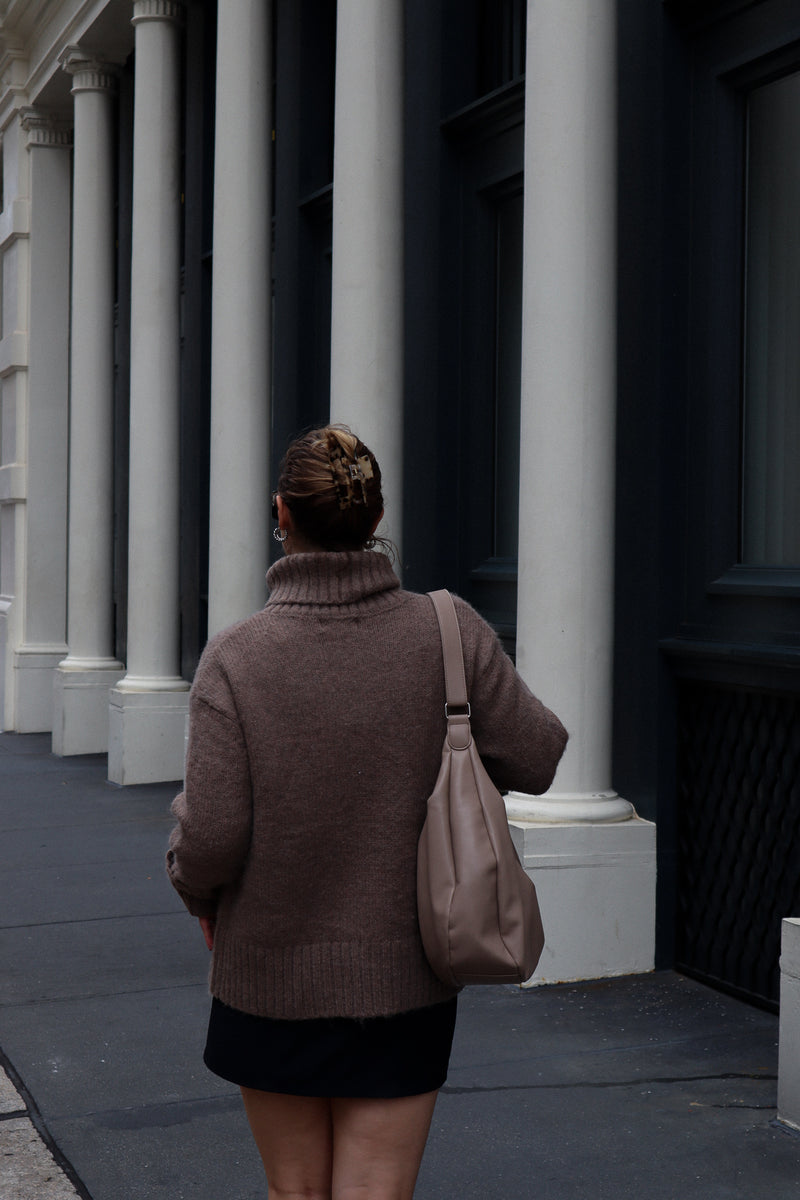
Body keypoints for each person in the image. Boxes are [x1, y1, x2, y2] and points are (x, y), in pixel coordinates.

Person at [166, 424, 568, 1200]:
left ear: (281, 514)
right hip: (405, 977)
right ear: (374, 516)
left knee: (296, 1195)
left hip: (268, 979)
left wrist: (193, 888)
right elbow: (539, 755)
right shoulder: (447, 632)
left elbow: (212, 840)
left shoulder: (236, 656)